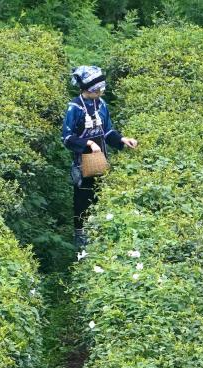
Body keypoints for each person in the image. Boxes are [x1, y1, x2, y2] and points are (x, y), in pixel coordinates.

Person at [61, 65, 138, 250]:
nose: (102, 91)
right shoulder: (74, 107)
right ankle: (80, 238)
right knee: (82, 199)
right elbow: (67, 138)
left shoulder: (101, 105)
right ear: (89, 89)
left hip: (101, 159)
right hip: (83, 163)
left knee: (101, 196)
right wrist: (87, 144)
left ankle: (99, 236)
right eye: (99, 89)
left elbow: (107, 131)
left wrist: (122, 139)